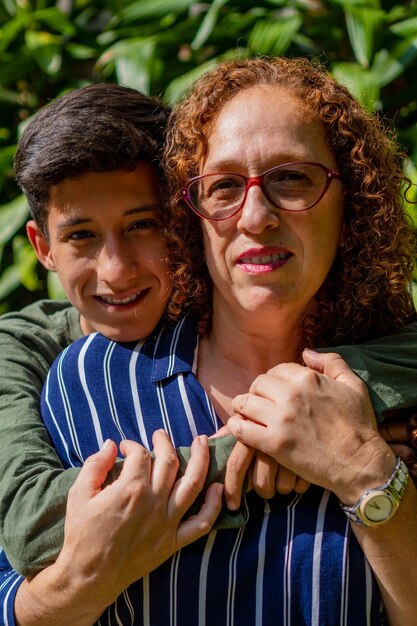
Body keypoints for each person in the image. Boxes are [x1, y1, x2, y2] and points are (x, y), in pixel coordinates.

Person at [3, 57, 416, 625]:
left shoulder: (399, 386)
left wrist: (369, 475)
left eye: (292, 178)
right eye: (224, 186)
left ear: (353, 200)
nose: (256, 214)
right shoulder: (78, 382)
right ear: (192, 211)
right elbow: (20, 561)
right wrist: (254, 448)